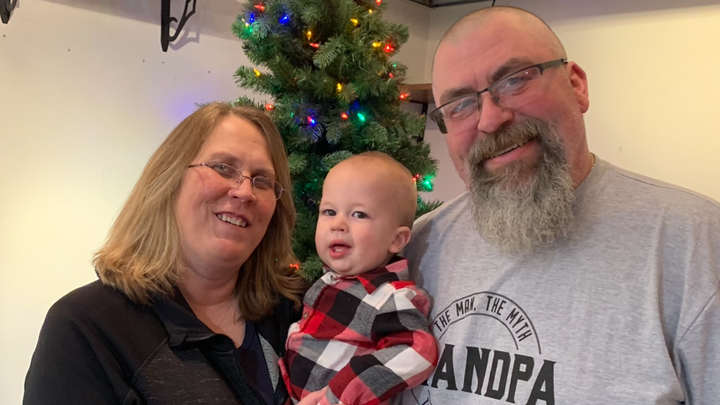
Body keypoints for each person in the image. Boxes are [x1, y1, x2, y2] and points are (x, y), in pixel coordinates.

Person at [400, 6, 720, 405]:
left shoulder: (695, 244)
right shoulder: (419, 247)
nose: (490, 119)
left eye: (515, 80)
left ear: (576, 85)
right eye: (460, 104)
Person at [23, 103, 326, 405]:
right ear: (170, 179)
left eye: (261, 180)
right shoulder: (86, 327)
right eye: (223, 167)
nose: (245, 192)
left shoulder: (307, 307)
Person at [280, 152, 438, 405]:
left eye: (359, 215)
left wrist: (340, 393)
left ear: (396, 239)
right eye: (329, 211)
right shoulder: (328, 283)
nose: (338, 224)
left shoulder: (390, 297)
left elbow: (417, 352)